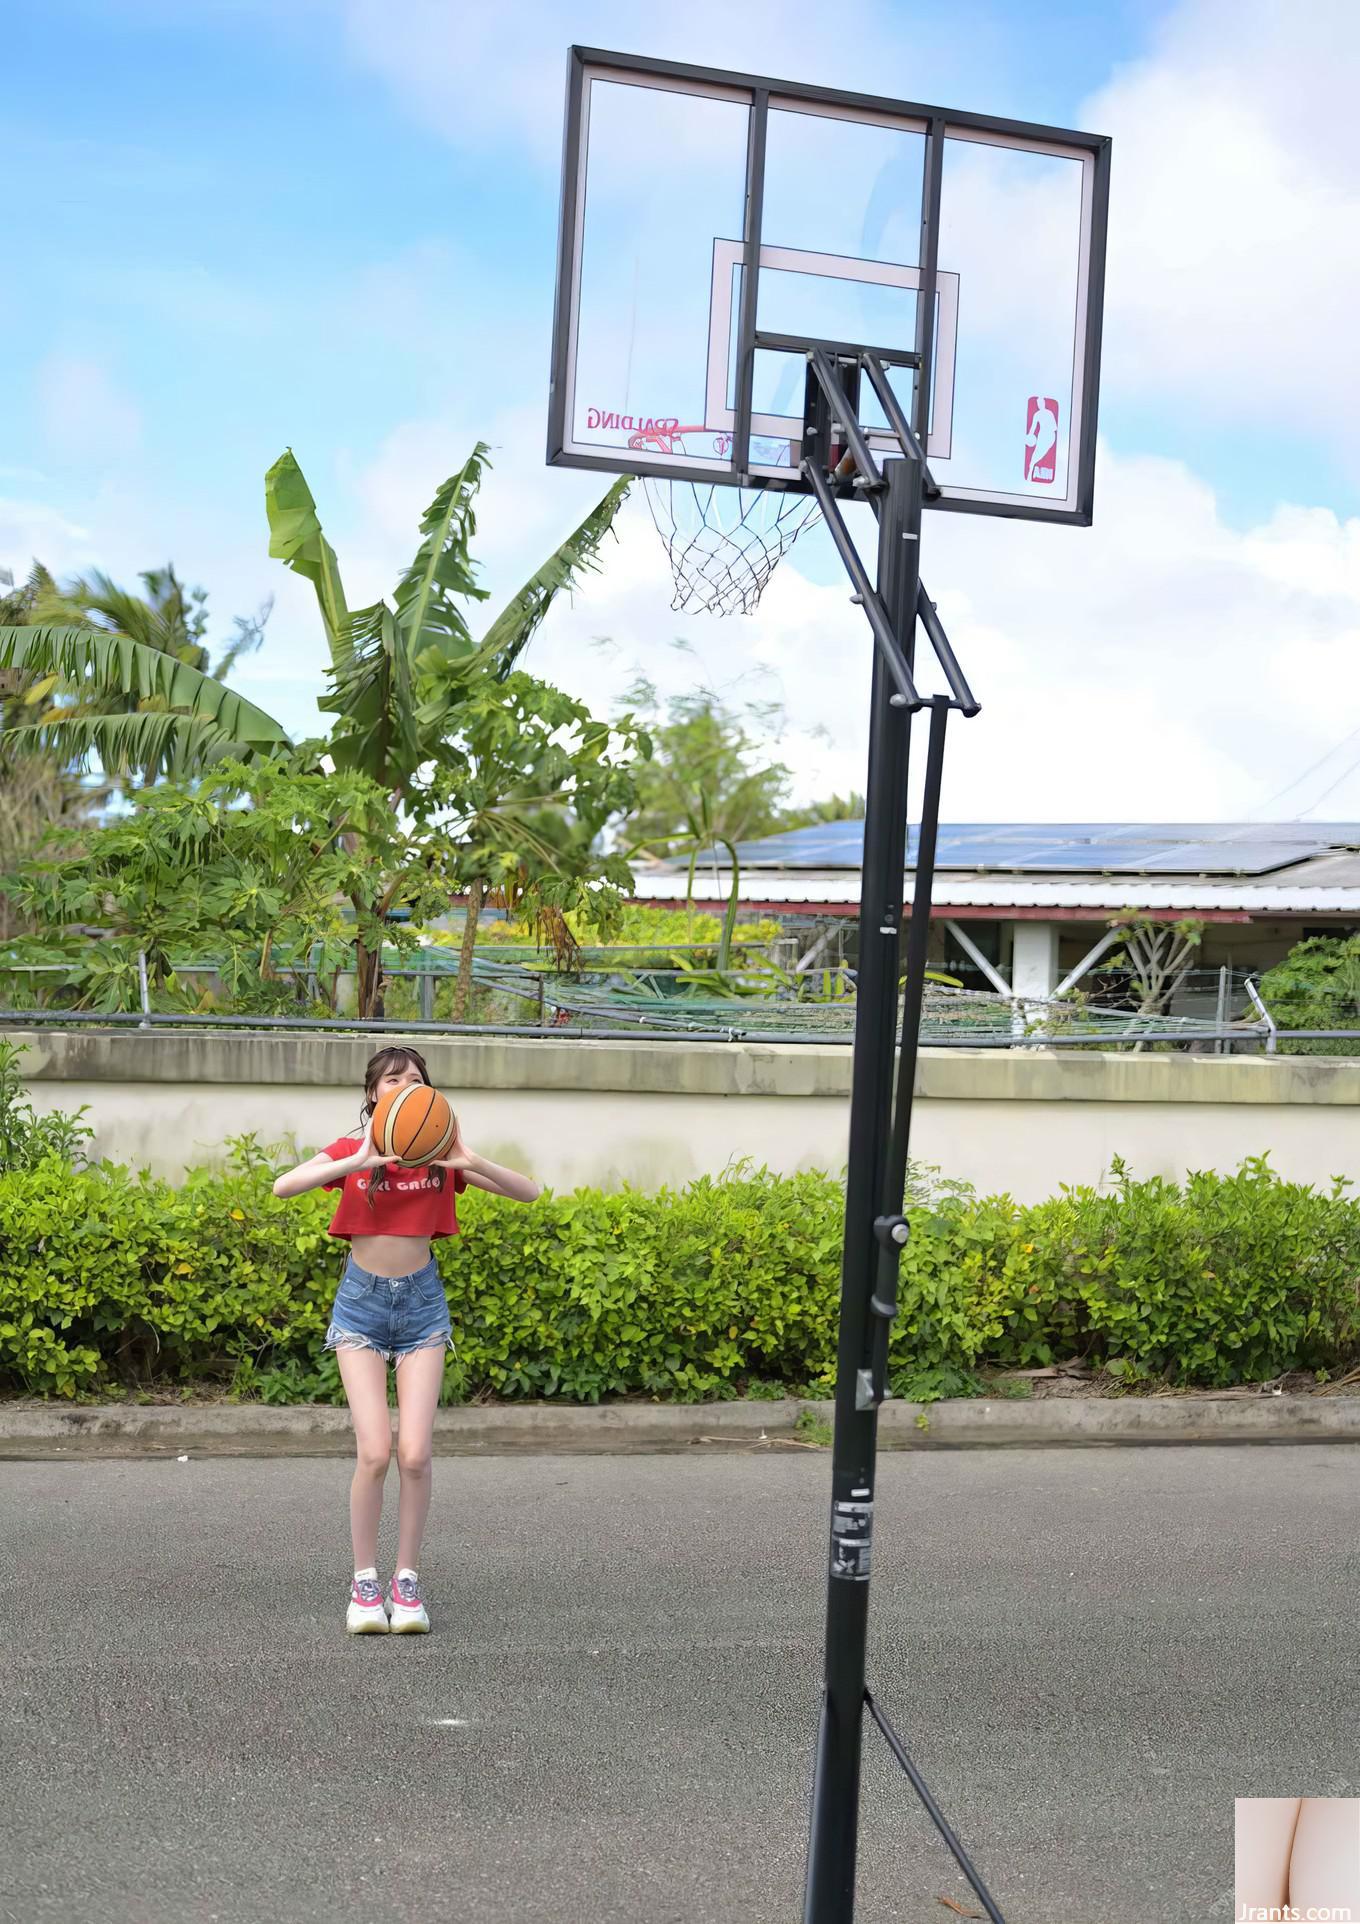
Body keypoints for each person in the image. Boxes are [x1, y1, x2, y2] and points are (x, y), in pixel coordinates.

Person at [272, 1046, 540, 1636]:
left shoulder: (441, 1158)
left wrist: (470, 1159)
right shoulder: (353, 1151)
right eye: (392, 1079)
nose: (405, 1086)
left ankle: (407, 1581)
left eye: (416, 1080)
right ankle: (364, 1583)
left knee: (414, 1454)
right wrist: (355, 1160)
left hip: (421, 1305)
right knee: (374, 1452)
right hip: (361, 1304)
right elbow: (283, 1186)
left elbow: (529, 1193)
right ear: (373, 1095)